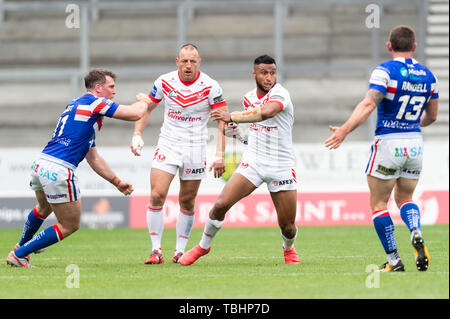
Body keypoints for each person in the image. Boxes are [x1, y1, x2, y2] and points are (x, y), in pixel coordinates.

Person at [6, 68, 150, 268]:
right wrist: (145, 100)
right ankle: (20, 254)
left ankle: (21, 246)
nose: (114, 92)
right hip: (59, 168)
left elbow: (93, 158)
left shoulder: (76, 106)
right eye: (111, 87)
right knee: (69, 225)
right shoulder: (95, 102)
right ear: (98, 88)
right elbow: (135, 114)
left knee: (44, 207)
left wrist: (116, 182)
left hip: (41, 163)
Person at [325, 25, 439, 272]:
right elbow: (432, 116)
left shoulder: (385, 71)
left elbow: (369, 104)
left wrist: (344, 129)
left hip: (388, 142)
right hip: (414, 144)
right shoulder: (430, 76)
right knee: (406, 198)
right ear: (414, 47)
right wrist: (408, 125)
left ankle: (395, 260)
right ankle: (415, 229)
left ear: (389, 46)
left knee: (379, 203)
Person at [179, 54, 300, 266]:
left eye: (272, 73)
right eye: (264, 73)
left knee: (287, 226)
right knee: (220, 205)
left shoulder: (281, 94)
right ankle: (203, 246)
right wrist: (238, 135)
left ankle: (288, 248)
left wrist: (232, 117)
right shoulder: (248, 97)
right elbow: (255, 132)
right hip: (253, 161)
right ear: (254, 74)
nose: (269, 77)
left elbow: (266, 113)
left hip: (281, 165)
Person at [130, 44, 227, 264]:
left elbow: (222, 119)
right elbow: (146, 107)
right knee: (157, 195)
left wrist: (220, 154)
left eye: (193, 61)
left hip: (195, 148)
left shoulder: (211, 86)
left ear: (199, 62)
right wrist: (137, 133)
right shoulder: (164, 81)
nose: (188, 65)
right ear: (177, 62)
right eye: (184, 61)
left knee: (187, 200)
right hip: (168, 144)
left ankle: (179, 251)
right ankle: (156, 251)